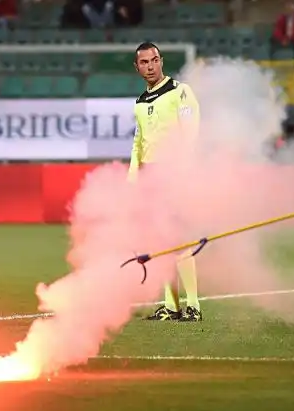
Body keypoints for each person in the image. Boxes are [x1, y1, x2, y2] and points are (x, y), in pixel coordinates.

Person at [128, 42, 203, 322]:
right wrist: (133, 180)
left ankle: (193, 305)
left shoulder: (180, 92)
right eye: (144, 62)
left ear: (161, 61)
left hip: (173, 175)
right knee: (159, 243)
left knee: (180, 241)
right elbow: (138, 144)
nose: (150, 66)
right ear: (137, 68)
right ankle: (171, 306)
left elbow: (191, 134)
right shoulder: (140, 102)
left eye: (154, 60)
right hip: (150, 180)